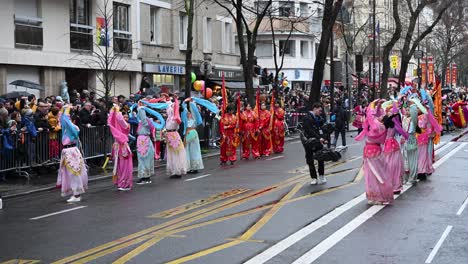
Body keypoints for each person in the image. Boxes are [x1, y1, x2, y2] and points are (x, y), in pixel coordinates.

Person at [355, 100, 393, 205]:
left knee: (372, 175)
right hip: (377, 151)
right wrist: (379, 106)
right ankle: (379, 195)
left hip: (370, 153)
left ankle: (376, 196)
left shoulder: (377, 126)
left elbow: (370, 116)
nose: (378, 116)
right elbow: (377, 115)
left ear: (382, 120)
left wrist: (373, 104)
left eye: (380, 117)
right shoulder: (383, 127)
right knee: (379, 173)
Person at [56, 105, 88, 202]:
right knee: (68, 173)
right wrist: (63, 108)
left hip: (71, 151)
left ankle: (77, 194)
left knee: (74, 173)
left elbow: (65, 120)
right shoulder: (67, 128)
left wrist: (67, 110)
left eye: (70, 118)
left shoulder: (75, 128)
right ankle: (74, 193)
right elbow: (61, 119)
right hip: (67, 152)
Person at [382, 103, 408, 194]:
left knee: (390, 166)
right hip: (392, 144)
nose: (388, 112)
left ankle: (392, 185)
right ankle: (395, 186)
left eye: (389, 111)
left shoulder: (389, 122)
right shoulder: (392, 122)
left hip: (389, 145)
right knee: (394, 165)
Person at [108, 105, 133, 191]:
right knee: (118, 165)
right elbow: (111, 121)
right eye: (124, 117)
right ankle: (120, 182)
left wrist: (117, 111)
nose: (125, 118)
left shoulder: (127, 125)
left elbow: (120, 120)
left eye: (127, 117)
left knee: (124, 166)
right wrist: (113, 112)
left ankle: (125, 183)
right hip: (117, 147)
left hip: (123, 147)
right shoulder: (118, 125)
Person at [302, 103, 327, 185]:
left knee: (321, 157)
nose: (320, 112)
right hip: (309, 141)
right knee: (310, 159)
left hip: (318, 141)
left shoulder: (319, 118)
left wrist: (324, 138)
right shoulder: (307, 118)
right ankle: (313, 177)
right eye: (319, 110)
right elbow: (309, 130)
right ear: (315, 109)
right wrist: (319, 138)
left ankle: (321, 175)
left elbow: (322, 129)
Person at [165, 95, 187, 178]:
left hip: (174, 136)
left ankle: (177, 171)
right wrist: (169, 98)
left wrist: (176, 102)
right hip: (169, 135)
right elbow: (168, 105)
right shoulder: (169, 118)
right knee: (171, 154)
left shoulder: (176, 118)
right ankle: (173, 171)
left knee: (176, 154)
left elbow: (176, 109)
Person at [182, 99, 204, 174]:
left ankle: (195, 167)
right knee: (187, 151)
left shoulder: (194, 119)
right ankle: (189, 167)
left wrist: (191, 102)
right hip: (187, 134)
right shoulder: (185, 120)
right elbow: (183, 110)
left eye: (190, 113)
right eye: (187, 113)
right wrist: (184, 102)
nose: (188, 114)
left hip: (193, 134)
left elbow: (195, 111)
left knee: (194, 150)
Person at [136, 102, 155, 184]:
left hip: (144, 140)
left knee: (145, 157)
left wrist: (141, 108)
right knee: (141, 158)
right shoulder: (141, 121)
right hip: (141, 140)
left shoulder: (146, 121)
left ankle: (146, 176)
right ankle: (144, 176)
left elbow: (144, 120)